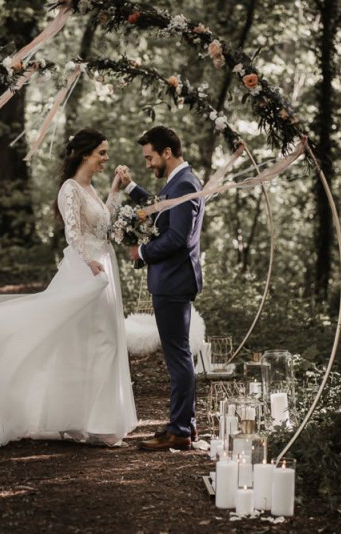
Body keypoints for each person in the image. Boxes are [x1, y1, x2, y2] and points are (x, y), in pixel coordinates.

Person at [0, 128, 138, 447]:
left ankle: (94, 419)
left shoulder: (90, 187)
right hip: (86, 268)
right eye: (102, 152)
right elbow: (73, 234)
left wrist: (116, 187)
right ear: (86, 154)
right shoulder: (70, 189)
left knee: (105, 339)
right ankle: (86, 421)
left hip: (104, 266)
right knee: (92, 341)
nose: (106, 158)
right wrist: (90, 263)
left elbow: (104, 221)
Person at [117, 126, 204, 451]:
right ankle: (185, 425)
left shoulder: (184, 183)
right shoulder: (179, 182)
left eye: (150, 157)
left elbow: (177, 237)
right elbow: (160, 207)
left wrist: (142, 252)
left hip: (173, 281)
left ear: (167, 152)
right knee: (177, 354)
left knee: (177, 356)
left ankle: (179, 429)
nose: (148, 163)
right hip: (173, 280)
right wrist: (130, 188)